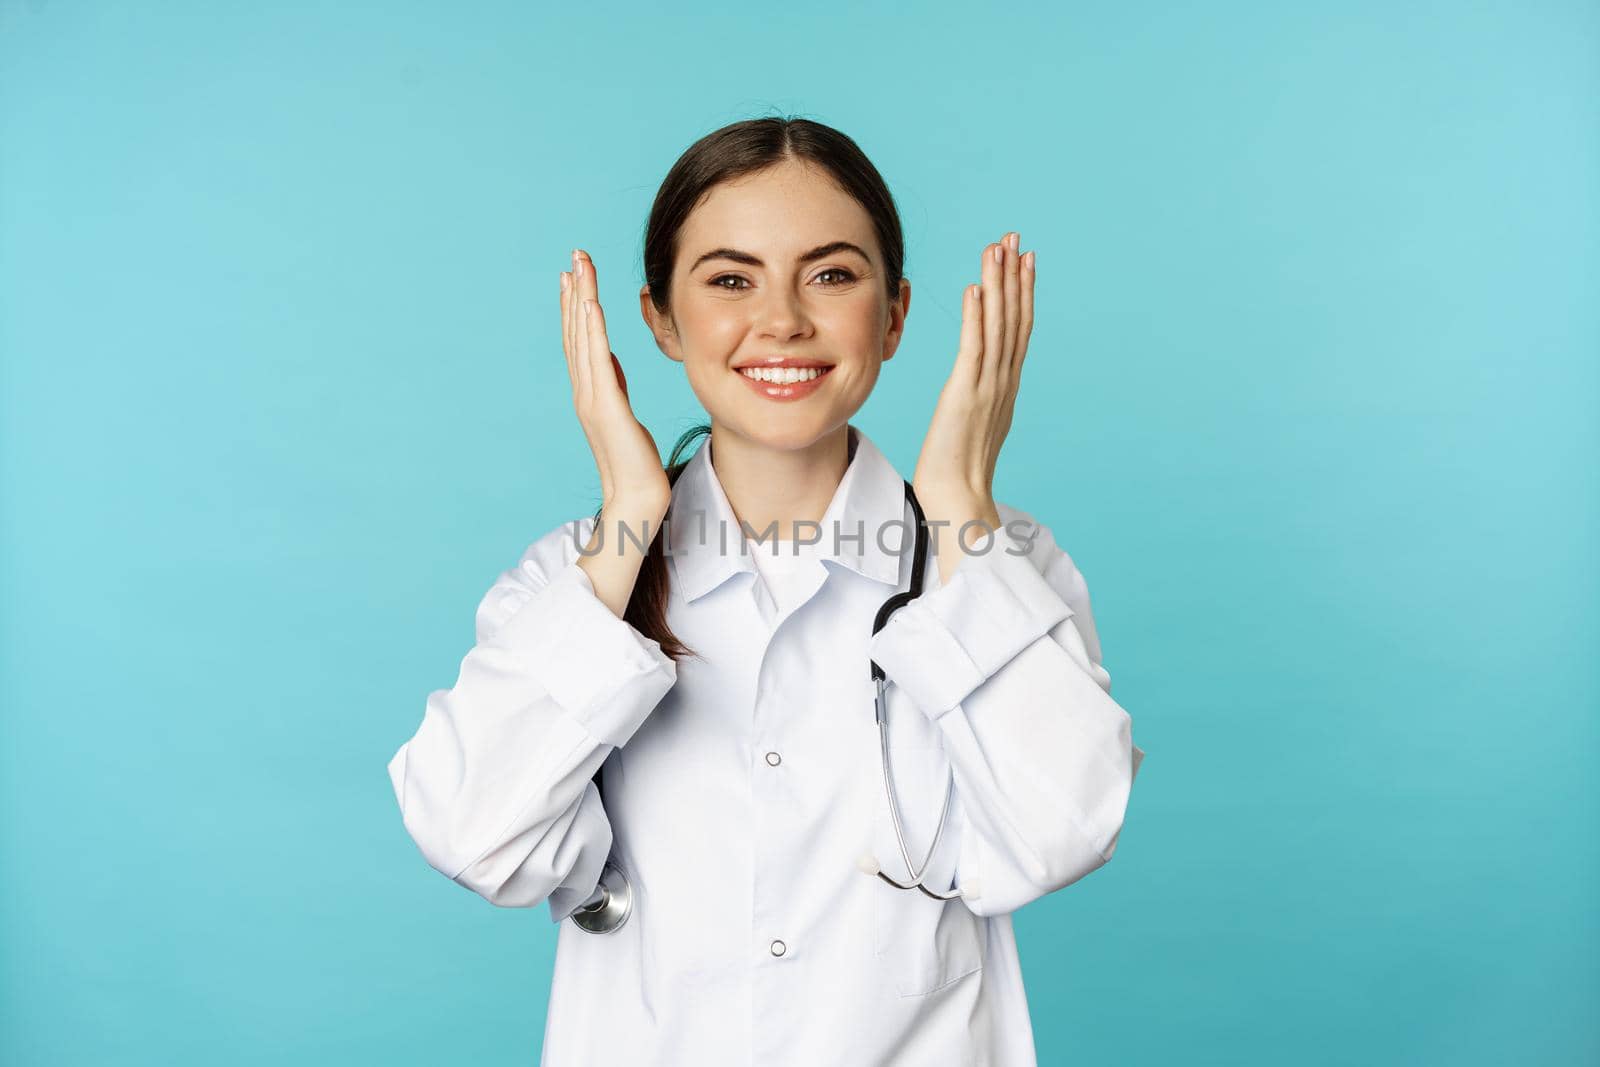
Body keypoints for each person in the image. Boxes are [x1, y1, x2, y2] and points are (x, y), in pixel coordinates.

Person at [386, 116, 1146, 1066]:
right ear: (660, 318)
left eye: (831, 275)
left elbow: (1066, 828)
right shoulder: (572, 581)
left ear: (897, 314)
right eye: (730, 279)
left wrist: (956, 502)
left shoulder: (1001, 565)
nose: (783, 320)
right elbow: (471, 832)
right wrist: (630, 509)